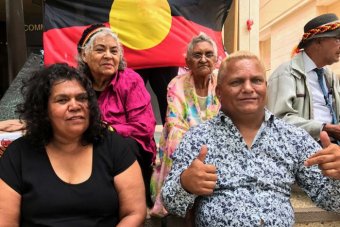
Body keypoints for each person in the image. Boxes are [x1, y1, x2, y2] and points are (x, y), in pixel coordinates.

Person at [161, 51, 340, 226]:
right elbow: (171, 203)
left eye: (256, 80)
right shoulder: (198, 138)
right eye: (237, 81)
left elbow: (331, 201)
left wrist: (338, 176)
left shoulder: (293, 138)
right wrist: (185, 184)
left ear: (266, 87)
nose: (248, 88)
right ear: (219, 92)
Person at [0, 63, 146, 226]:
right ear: (43, 109)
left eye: (82, 98)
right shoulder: (18, 154)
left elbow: (134, 212)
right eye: (62, 100)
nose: (75, 106)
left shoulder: (114, 146)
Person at [77, 24, 156, 207]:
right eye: (100, 49)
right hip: (86, 144)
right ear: (84, 55)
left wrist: (107, 128)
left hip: (127, 148)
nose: (108, 56)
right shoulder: (76, 82)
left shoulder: (130, 80)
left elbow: (144, 126)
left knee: (121, 145)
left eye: (114, 51)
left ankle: (132, 203)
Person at [150, 33, 220, 217]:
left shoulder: (222, 83)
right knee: (176, 138)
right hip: (183, 141)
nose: (203, 59)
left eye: (208, 54)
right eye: (197, 55)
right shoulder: (176, 83)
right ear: (187, 61)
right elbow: (175, 122)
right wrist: (201, 141)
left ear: (216, 59)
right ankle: (177, 192)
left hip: (215, 141)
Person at [267, 13, 340, 142]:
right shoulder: (285, 74)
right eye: (337, 39)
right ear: (318, 41)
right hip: (305, 151)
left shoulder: (331, 77)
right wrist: (324, 128)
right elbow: (277, 120)